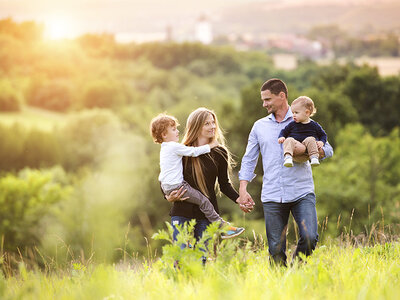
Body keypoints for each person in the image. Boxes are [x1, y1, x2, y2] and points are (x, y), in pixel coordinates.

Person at [238, 78, 333, 266]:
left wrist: (314, 150)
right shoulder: (259, 126)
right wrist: (243, 188)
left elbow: (328, 149)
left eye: (267, 99)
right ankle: (280, 287)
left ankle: (296, 272)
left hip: (301, 191)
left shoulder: (306, 121)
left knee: (309, 237)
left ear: (282, 96)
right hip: (272, 193)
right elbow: (249, 158)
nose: (264, 104)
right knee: (275, 248)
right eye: (263, 100)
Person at [150, 113, 244, 239]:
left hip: (205, 216)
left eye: (213, 122)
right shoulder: (182, 151)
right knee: (181, 255)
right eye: (207, 123)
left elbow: (224, 184)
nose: (213, 126)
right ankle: (223, 226)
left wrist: (240, 199)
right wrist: (168, 196)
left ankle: (223, 227)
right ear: (196, 127)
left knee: (202, 257)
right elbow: (165, 175)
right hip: (182, 213)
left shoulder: (219, 152)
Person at [278, 96, 327, 168]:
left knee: (310, 139)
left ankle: (314, 158)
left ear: (307, 113)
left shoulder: (314, 125)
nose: (293, 115)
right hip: (295, 152)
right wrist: (281, 137)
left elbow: (323, 135)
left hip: (307, 154)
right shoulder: (292, 124)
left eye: (296, 113)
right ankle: (288, 157)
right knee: (289, 140)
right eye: (292, 113)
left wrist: (322, 142)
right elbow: (284, 131)